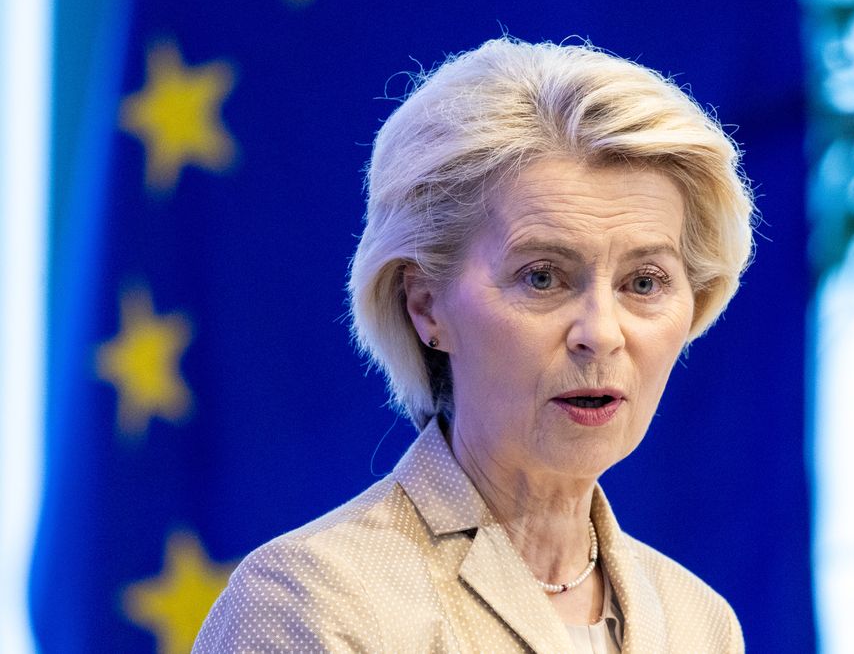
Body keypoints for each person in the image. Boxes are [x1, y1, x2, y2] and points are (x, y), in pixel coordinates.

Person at [194, 36, 754, 653]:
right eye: (542, 276)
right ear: (425, 305)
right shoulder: (311, 600)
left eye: (644, 283)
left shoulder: (700, 623)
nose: (600, 332)